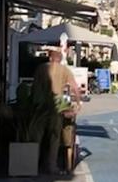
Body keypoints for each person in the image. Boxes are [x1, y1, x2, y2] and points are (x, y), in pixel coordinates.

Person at [32, 46, 83, 174]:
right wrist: (78, 103)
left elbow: (34, 87)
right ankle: (52, 165)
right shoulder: (64, 70)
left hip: (40, 103)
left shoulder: (41, 68)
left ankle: (33, 164)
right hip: (58, 102)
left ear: (50, 58)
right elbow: (75, 88)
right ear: (60, 59)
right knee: (54, 136)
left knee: (38, 135)